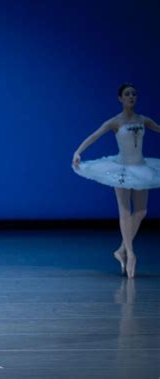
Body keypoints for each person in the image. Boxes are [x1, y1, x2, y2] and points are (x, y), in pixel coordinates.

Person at [72, 83, 160, 278]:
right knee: (125, 211)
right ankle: (130, 253)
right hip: (121, 169)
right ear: (120, 99)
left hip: (141, 168)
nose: (131, 97)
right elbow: (95, 135)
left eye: (134, 94)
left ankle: (121, 249)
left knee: (142, 211)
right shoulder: (115, 122)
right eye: (127, 94)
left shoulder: (144, 120)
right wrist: (78, 152)